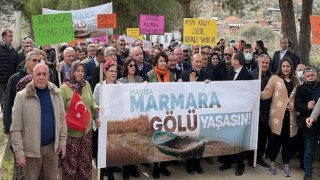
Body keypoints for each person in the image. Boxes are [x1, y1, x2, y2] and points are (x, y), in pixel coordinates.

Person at [10, 63, 67, 179]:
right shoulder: (22, 97)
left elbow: (62, 119)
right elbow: (15, 128)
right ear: (33, 76)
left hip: (51, 149)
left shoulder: (56, 93)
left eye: (44, 74)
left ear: (49, 76)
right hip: (30, 152)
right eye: (38, 74)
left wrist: (62, 142)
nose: (41, 77)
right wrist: (19, 153)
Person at [260, 57, 300, 177]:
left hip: (291, 117)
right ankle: (272, 162)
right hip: (277, 116)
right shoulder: (275, 79)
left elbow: (299, 97)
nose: (285, 68)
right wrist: (255, 94)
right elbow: (267, 93)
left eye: (288, 66)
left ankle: (286, 164)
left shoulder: (297, 80)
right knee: (276, 140)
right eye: (283, 66)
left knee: (288, 142)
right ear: (280, 67)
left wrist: (296, 106)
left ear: (291, 67)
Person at [60, 61, 99, 179]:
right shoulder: (64, 88)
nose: (80, 73)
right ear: (72, 71)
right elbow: (59, 111)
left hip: (86, 132)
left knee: (85, 163)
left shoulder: (86, 84)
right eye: (78, 71)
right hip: (71, 134)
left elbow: (91, 102)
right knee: (70, 165)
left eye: (82, 71)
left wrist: (96, 112)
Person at [219, 51, 253, 176]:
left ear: (237, 61)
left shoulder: (247, 75)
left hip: (240, 113)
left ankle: (240, 165)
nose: (230, 60)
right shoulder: (231, 72)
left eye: (232, 58)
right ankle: (227, 162)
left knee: (239, 139)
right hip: (229, 111)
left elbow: (247, 95)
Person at [179, 53, 210, 175]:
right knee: (190, 139)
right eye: (196, 61)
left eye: (200, 61)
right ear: (192, 62)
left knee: (201, 139)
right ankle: (190, 164)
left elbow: (209, 95)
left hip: (201, 111)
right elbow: (182, 95)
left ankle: (198, 164)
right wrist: (191, 85)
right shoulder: (184, 74)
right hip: (189, 112)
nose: (198, 64)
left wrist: (208, 86)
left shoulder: (207, 75)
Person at [146, 52, 173, 178]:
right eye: (160, 61)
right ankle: (155, 167)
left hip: (167, 112)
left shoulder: (171, 75)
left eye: (164, 61)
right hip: (155, 112)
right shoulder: (150, 75)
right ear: (156, 62)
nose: (163, 63)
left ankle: (163, 165)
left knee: (166, 138)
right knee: (156, 138)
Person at [93, 60, 121, 180]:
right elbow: (93, 103)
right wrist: (96, 117)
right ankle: (101, 174)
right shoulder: (99, 86)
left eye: (115, 71)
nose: (114, 73)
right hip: (102, 123)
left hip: (114, 123)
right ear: (105, 72)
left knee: (111, 151)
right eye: (111, 71)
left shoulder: (119, 86)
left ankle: (110, 174)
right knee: (102, 151)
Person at [116, 58, 143, 179]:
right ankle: (125, 169)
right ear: (126, 66)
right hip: (125, 117)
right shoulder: (119, 82)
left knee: (135, 143)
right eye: (130, 65)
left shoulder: (140, 80)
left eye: (134, 66)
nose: (133, 67)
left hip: (136, 116)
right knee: (126, 144)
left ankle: (133, 167)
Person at [296, 67, 319, 180]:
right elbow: (297, 105)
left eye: (312, 75)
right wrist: (307, 106)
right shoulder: (300, 89)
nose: (311, 77)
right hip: (308, 122)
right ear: (304, 78)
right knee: (309, 149)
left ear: (316, 75)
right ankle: (308, 173)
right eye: (308, 76)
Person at [249, 54, 272, 168]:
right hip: (253, 111)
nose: (265, 65)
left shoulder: (271, 76)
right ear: (258, 63)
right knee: (252, 135)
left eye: (267, 63)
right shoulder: (251, 75)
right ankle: (250, 157)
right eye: (262, 62)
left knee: (262, 137)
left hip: (266, 111)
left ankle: (259, 157)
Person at [0, 29, 18, 111]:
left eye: (12, 36)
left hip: (9, 81)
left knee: (7, 102)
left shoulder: (14, 51)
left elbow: (15, 66)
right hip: (0, 81)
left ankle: (5, 119)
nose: (11, 38)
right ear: (3, 38)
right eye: (9, 36)